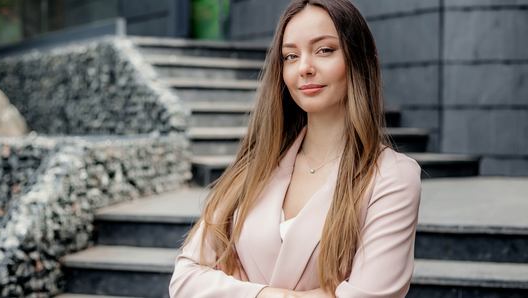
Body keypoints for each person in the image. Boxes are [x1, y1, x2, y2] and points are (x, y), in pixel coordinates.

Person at [169, 0, 421, 297]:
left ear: (358, 58)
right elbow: (184, 280)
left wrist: (237, 288)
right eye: (290, 56)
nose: (304, 68)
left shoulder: (392, 176)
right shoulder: (256, 167)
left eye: (324, 50)